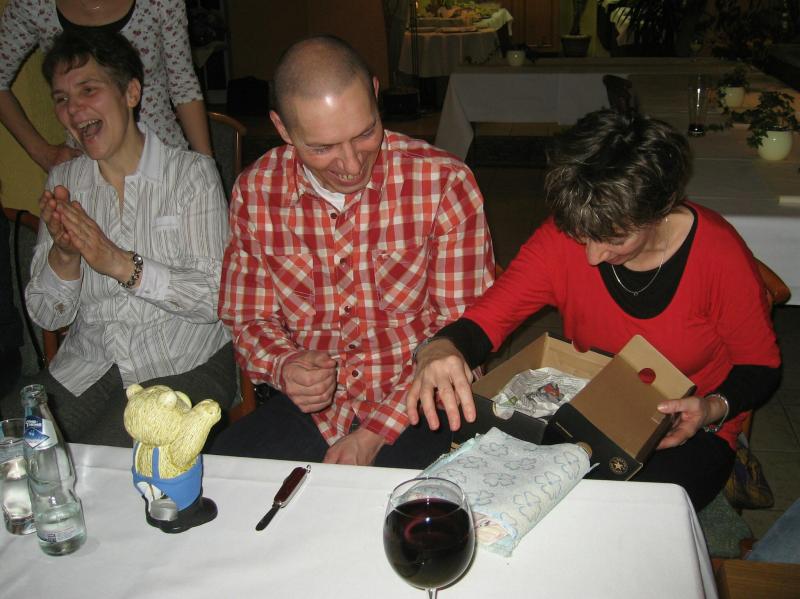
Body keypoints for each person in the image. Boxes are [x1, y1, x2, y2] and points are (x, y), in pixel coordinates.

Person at [406, 109, 781, 510]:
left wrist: (712, 408)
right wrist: (441, 347)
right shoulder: (561, 240)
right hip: (589, 410)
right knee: (482, 478)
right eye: (581, 235)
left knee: (615, 511)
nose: (592, 256)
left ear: (658, 210)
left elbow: (761, 367)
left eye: (613, 239)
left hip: (684, 426)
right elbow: (490, 317)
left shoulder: (718, 254)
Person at [210, 35, 495, 468]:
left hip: (421, 401)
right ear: (282, 128)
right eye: (322, 148)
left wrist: (373, 434)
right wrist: (285, 364)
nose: (351, 164)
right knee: (221, 479)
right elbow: (249, 319)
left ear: (375, 94)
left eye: (365, 133)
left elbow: (461, 328)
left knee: (409, 505)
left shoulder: (444, 183)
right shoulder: (256, 192)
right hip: (315, 411)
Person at [0, 30, 234, 446]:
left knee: (101, 463)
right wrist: (65, 255)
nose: (73, 109)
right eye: (61, 98)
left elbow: (215, 300)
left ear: (130, 92)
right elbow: (47, 315)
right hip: (88, 363)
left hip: (181, 360)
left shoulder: (190, 175)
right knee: (14, 442)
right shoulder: (64, 181)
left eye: (88, 90)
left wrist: (120, 264)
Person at [0, 0, 212, 172]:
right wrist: (43, 153)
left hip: (163, 160)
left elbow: (184, 87)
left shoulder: (160, 3)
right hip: (88, 167)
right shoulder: (34, 5)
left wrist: (206, 169)